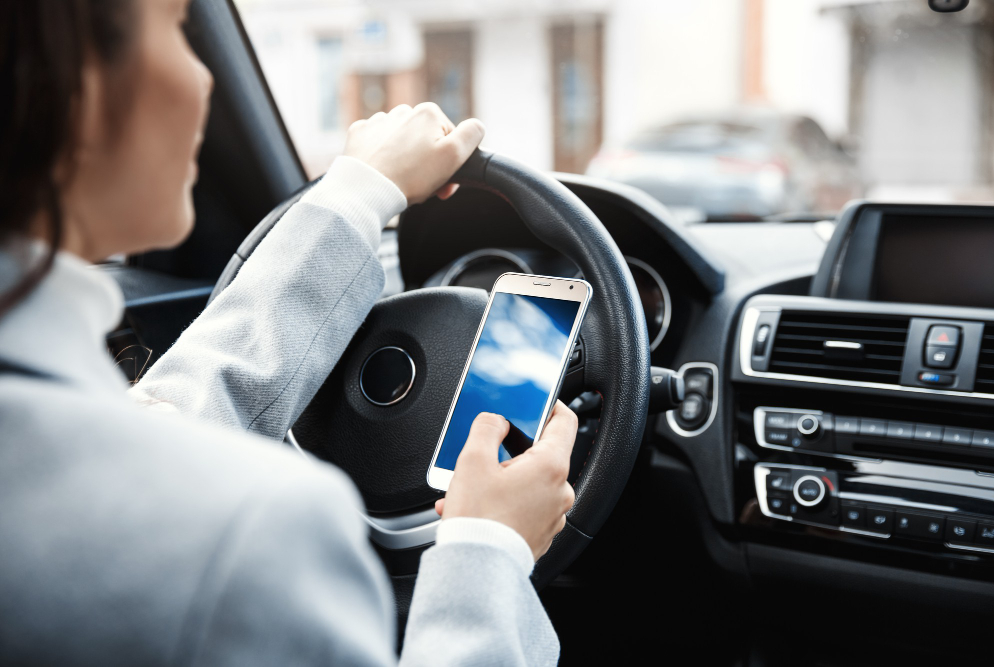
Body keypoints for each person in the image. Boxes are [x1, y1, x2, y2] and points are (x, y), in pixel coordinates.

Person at [0, 0, 578, 664]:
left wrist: (362, 193)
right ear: (80, 86)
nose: (205, 77)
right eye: (178, 28)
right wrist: (490, 550)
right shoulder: (254, 538)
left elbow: (163, 428)